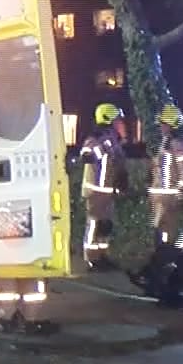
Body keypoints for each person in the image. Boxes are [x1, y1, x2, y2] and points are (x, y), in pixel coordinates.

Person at [78, 103, 128, 268]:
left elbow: (118, 165)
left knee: (106, 226)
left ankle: (102, 256)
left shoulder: (114, 140)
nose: (120, 123)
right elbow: (86, 156)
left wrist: (121, 182)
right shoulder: (95, 138)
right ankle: (92, 259)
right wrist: (105, 146)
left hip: (107, 192)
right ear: (108, 120)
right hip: (95, 191)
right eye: (117, 120)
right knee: (95, 224)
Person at [147, 104, 183, 245]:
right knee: (159, 229)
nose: (161, 127)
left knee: (167, 230)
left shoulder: (181, 144)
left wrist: (182, 195)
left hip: (170, 196)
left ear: (171, 125)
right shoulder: (166, 142)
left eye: (163, 124)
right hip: (160, 195)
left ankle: (165, 257)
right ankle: (161, 256)